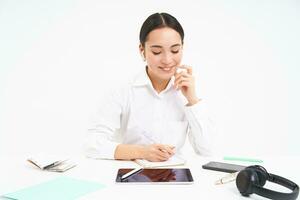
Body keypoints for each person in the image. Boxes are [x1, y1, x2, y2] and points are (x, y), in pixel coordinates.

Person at [85, 12, 215, 162]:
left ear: (182, 47)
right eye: (157, 52)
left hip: (175, 176)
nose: (167, 60)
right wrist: (143, 152)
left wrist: (192, 100)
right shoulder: (123, 90)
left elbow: (207, 150)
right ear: (142, 50)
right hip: (131, 175)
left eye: (175, 50)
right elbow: (91, 144)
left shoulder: (187, 91)